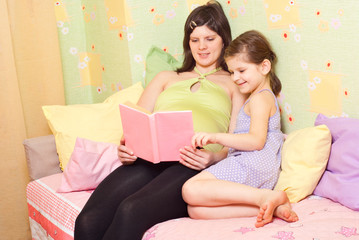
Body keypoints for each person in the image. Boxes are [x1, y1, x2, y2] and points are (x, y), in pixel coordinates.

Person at [74, 1, 246, 239]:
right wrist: (125, 147)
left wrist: (215, 157)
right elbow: (135, 124)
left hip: (192, 164)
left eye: (210, 38)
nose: (202, 47)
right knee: (87, 220)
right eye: (195, 40)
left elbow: (239, 138)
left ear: (224, 39)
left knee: (130, 209)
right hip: (148, 160)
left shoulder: (234, 83)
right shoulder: (166, 77)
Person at [182, 30, 299, 228]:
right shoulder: (257, 96)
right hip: (259, 169)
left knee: (190, 189)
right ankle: (272, 206)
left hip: (252, 163)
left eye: (242, 71)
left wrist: (217, 137)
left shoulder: (261, 98)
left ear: (264, 66)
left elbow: (256, 141)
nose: (235, 78)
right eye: (232, 72)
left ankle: (265, 197)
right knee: (195, 210)